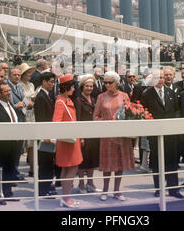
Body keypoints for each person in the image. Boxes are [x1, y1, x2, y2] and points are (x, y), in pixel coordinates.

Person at [141, 71, 184, 199]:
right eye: (156, 78)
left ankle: (173, 189)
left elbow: (177, 111)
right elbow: (144, 112)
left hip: (170, 133)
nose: (160, 80)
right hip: (155, 134)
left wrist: (172, 125)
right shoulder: (147, 94)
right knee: (156, 161)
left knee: (171, 161)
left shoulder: (171, 92)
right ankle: (159, 189)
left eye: (161, 77)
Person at [93, 71, 135, 202]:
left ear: (116, 83)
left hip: (122, 136)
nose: (107, 85)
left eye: (110, 82)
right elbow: (95, 116)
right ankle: (105, 190)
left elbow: (130, 114)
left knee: (120, 164)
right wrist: (106, 124)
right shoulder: (100, 97)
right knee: (107, 165)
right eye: (105, 82)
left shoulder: (124, 95)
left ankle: (117, 191)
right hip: (107, 136)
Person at [0, 83, 24, 205]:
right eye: (6, 91)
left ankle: (7, 192)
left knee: (9, 170)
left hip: (13, 146)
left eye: (9, 91)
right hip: (0, 147)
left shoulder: (10, 106)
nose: (9, 93)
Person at [53, 74, 83, 208]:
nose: (74, 89)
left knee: (68, 168)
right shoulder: (61, 102)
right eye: (72, 87)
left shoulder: (64, 100)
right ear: (67, 87)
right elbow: (56, 122)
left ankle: (66, 196)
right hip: (67, 141)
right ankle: (66, 197)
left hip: (70, 140)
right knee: (71, 168)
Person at [74, 74, 100, 194]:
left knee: (92, 160)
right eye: (87, 86)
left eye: (91, 86)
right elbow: (77, 120)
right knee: (83, 161)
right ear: (82, 87)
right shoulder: (78, 101)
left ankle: (90, 182)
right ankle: (81, 184)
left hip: (94, 134)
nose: (89, 88)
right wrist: (81, 137)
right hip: (84, 135)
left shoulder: (94, 100)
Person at [34, 72, 57, 197]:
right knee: (45, 163)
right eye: (51, 81)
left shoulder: (46, 95)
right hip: (45, 136)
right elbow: (41, 118)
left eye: (53, 82)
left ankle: (47, 187)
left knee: (48, 162)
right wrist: (44, 136)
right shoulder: (41, 97)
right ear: (44, 82)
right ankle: (43, 190)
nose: (52, 84)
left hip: (48, 134)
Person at [18, 63, 36, 177]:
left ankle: (32, 169)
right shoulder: (19, 85)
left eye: (30, 72)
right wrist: (27, 102)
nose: (30, 74)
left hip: (32, 114)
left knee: (31, 143)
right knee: (21, 143)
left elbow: (33, 97)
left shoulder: (31, 84)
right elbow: (19, 98)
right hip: (22, 113)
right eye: (28, 72)